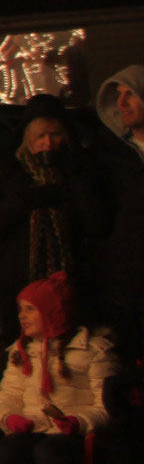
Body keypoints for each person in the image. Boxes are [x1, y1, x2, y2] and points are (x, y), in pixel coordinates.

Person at [0, 272, 117, 464]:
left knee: (51, 453)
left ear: (52, 312)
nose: (22, 316)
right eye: (20, 310)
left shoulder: (93, 350)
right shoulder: (21, 350)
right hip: (33, 426)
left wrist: (78, 422)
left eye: (30, 309)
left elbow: (106, 406)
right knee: (6, 452)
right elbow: (8, 393)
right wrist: (9, 417)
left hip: (71, 433)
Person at [0, 98, 107, 344]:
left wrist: (73, 182)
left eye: (55, 135)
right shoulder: (8, 169)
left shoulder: (80, 168)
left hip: (70, 275)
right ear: (28, 137)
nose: (47, 143)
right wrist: (26, 200)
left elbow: (96, 223)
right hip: (21, 275)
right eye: (41, 136)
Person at [93, 66, 144, 349]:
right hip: (130, 279)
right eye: (118, 96)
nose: (122, 103)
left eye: (130, 94)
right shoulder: (110, 157)